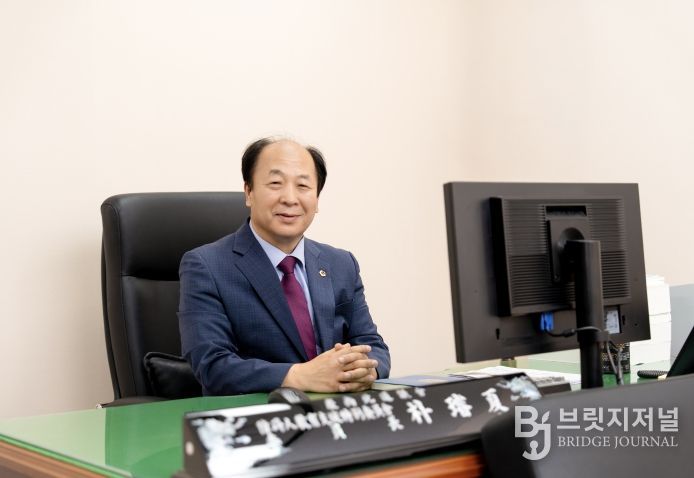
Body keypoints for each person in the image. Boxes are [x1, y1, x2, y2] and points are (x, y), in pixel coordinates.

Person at [178, 137, 390, 395]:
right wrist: (299, 376)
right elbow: (212, 366)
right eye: (275, 183)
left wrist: (366, 370)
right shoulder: (206, 266)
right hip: (258, 414)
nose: (290, 198)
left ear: (317, 199)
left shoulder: (341, 263)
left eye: (303, 186)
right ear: (248, 192)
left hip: (336, 412)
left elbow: (373, 346)